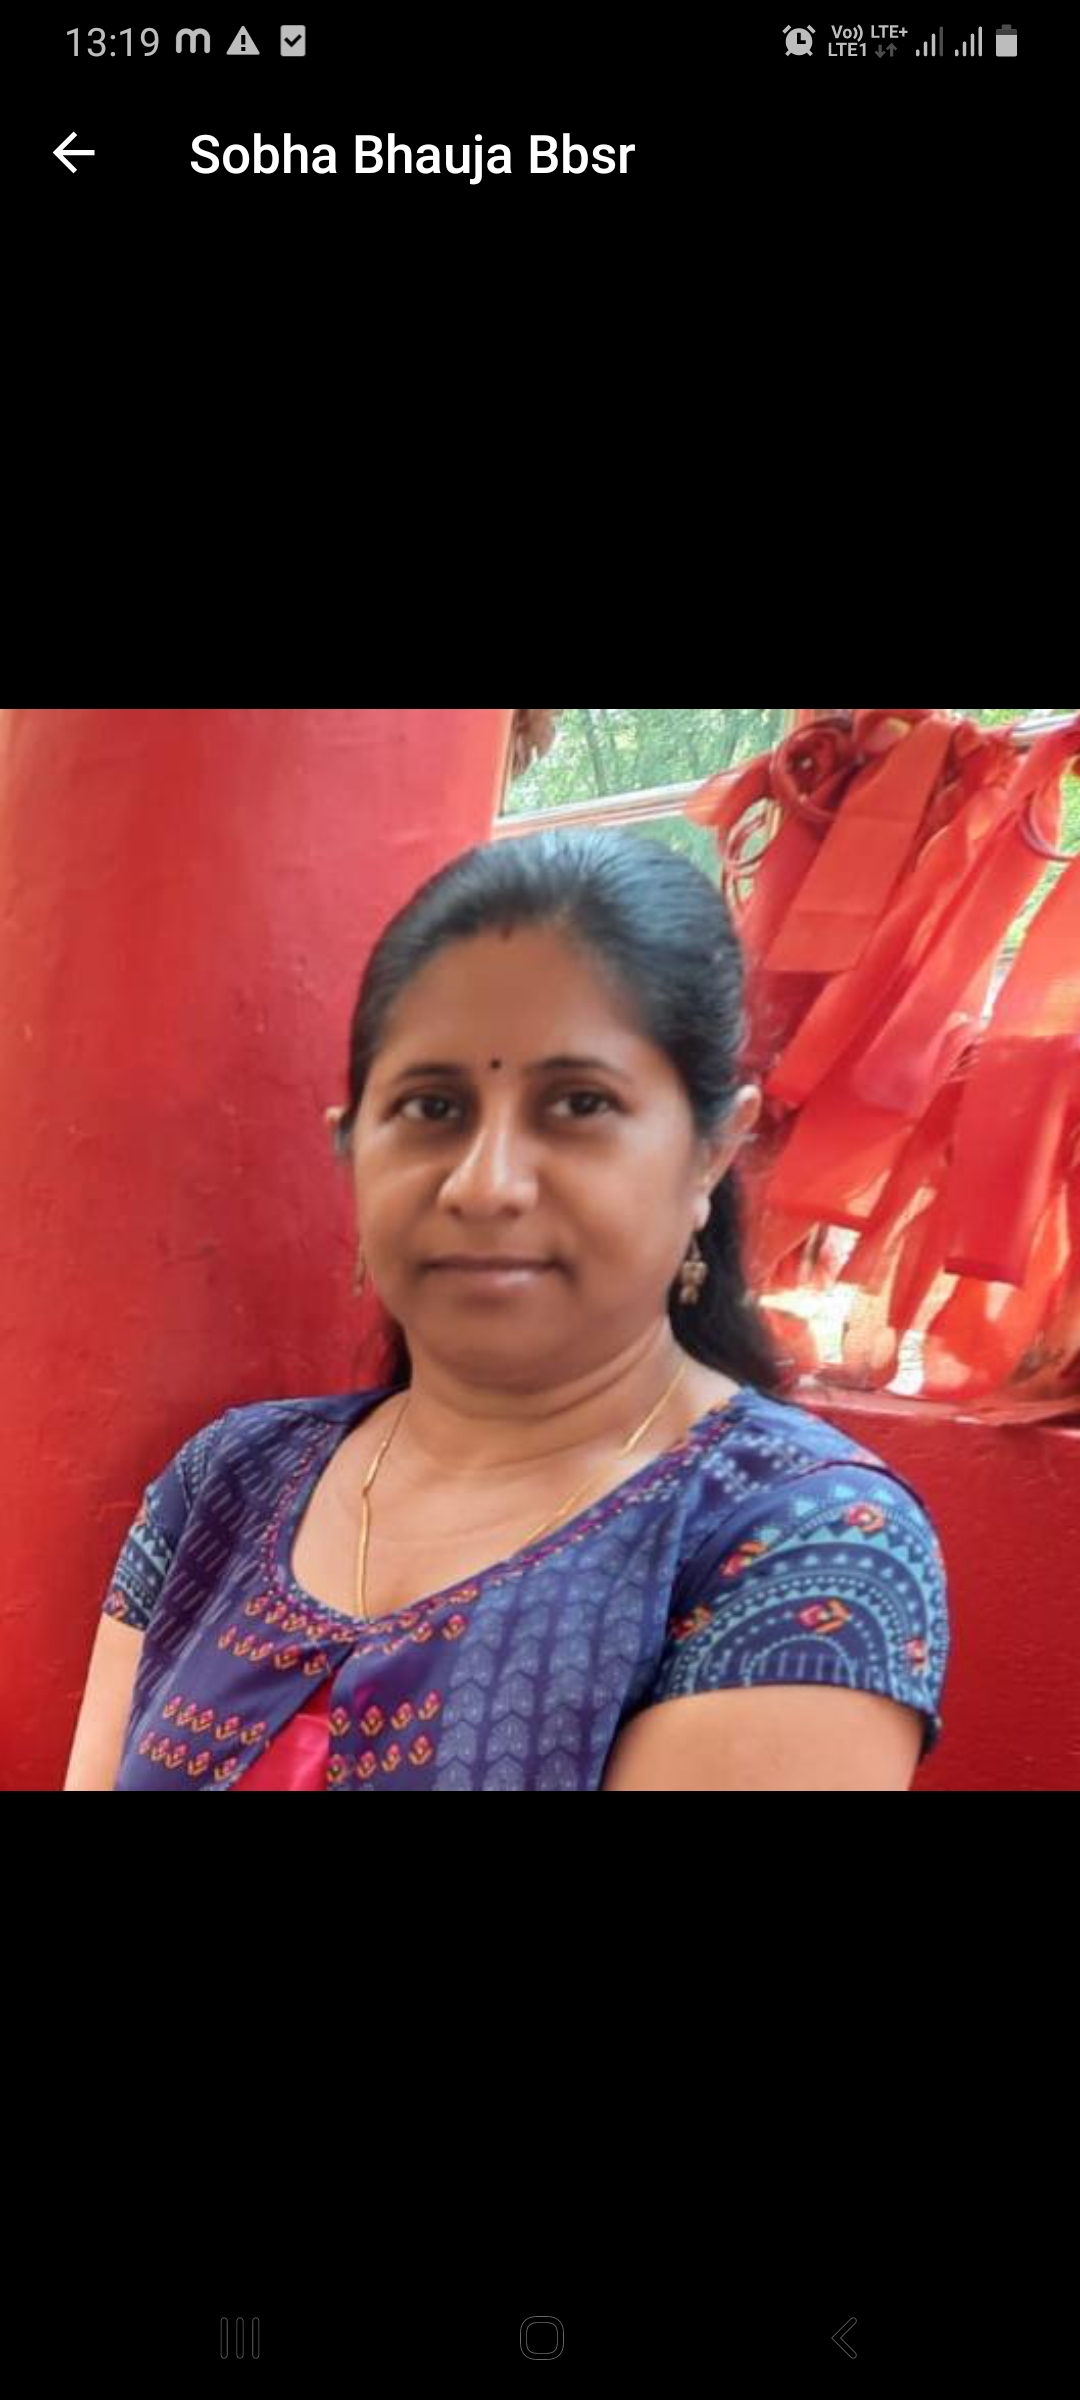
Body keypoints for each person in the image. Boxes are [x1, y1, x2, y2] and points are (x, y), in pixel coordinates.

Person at [64, 827, 948, 1791]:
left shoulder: (800, 1542)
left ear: (711, 1153)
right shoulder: (227, 1482)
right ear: (352, 1150)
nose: (486, 1186)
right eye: (433, 1109)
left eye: (579, 1104)